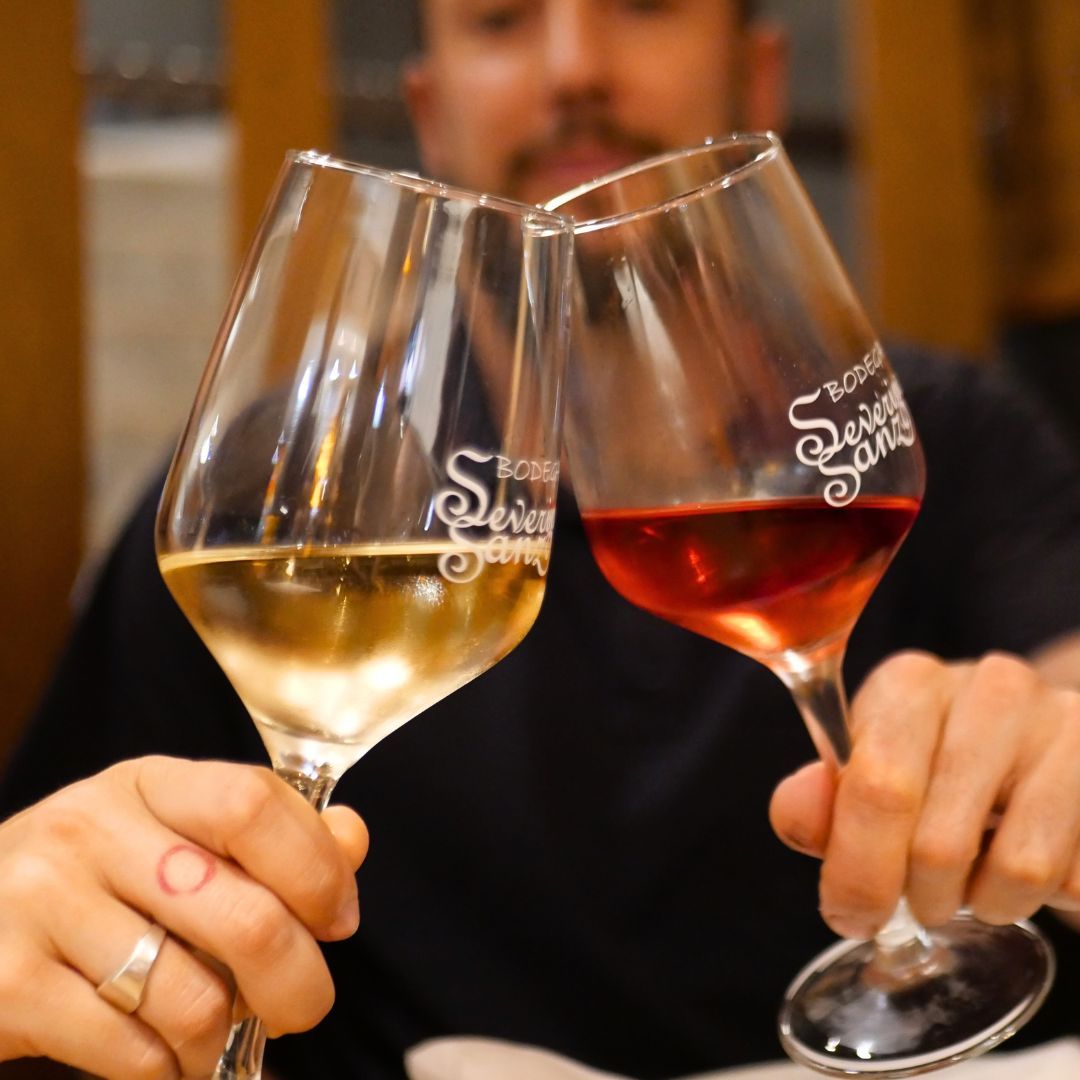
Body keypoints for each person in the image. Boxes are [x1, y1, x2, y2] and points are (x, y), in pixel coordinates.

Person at [4, 1, 1080, 1077]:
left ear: (759, 80)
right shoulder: (272, 496)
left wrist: (1054, 769)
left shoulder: (949, 438)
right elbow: (56, 921)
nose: (573, 68)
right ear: (429, 112)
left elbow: (1065, 687)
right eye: (501, 19)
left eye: (642, 4)